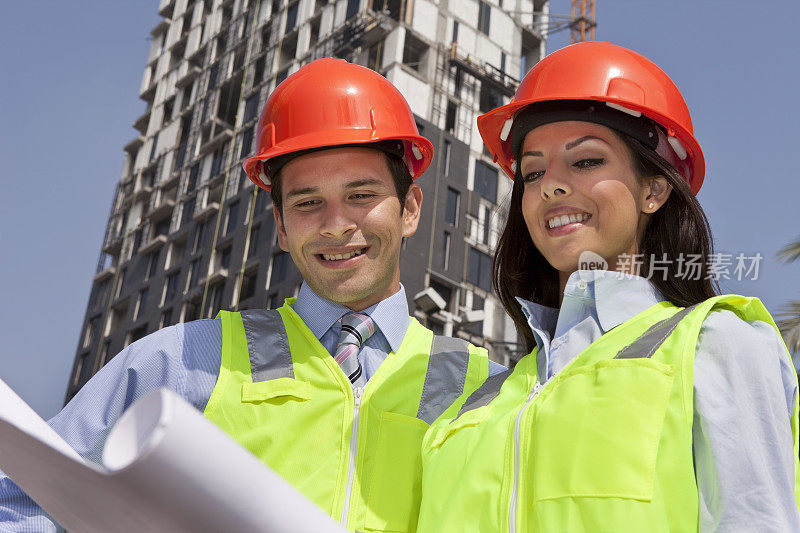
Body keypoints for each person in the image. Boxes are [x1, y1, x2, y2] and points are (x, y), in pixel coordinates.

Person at [0, 58, 501, 532]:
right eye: (308, 203)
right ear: (281, 226)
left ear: (410, 209)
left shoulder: (487, 390)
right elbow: (24, 498)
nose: (336, 224)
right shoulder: (183, 362)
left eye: (361, 195)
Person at [417, 42, 800, 532]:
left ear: (654, 189)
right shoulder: (472, 409)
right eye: (533, 172)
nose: (550, 185)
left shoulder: (716, 346)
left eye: (586, 162)